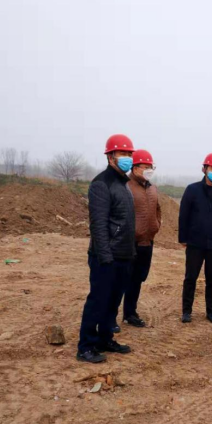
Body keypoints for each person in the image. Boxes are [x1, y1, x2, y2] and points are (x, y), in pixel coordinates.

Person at [77, 134, 136, 364]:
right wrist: (105, 256)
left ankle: (105, 339)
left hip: (123, 255)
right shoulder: (101, 184)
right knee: (98, 301)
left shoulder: (123, 184)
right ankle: (85, 346)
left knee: (113, 302)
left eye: (129, 154)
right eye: (123, 153)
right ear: (110, 157)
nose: (127, 157)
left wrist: (130, 253)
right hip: (106, 257)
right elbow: (98, 225)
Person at [178, 153, 212, 325]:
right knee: (190, 277)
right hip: (195, 243)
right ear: (204, 169)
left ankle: (211, 311)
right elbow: (183, 215)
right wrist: (183, 237)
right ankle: (186, 311)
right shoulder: (192, 190)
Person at [122, 149, 162, 328]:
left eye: (150, 167)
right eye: (145, 167)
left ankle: (130, 313)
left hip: (147, 242)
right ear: (135, 167)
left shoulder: (152, 188)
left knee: (137, 279)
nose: (148, 170)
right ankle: (110, 317)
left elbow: (158, 209)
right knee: (122, 279)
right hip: (129, 242)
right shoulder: (125, 186)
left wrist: (156, 226)